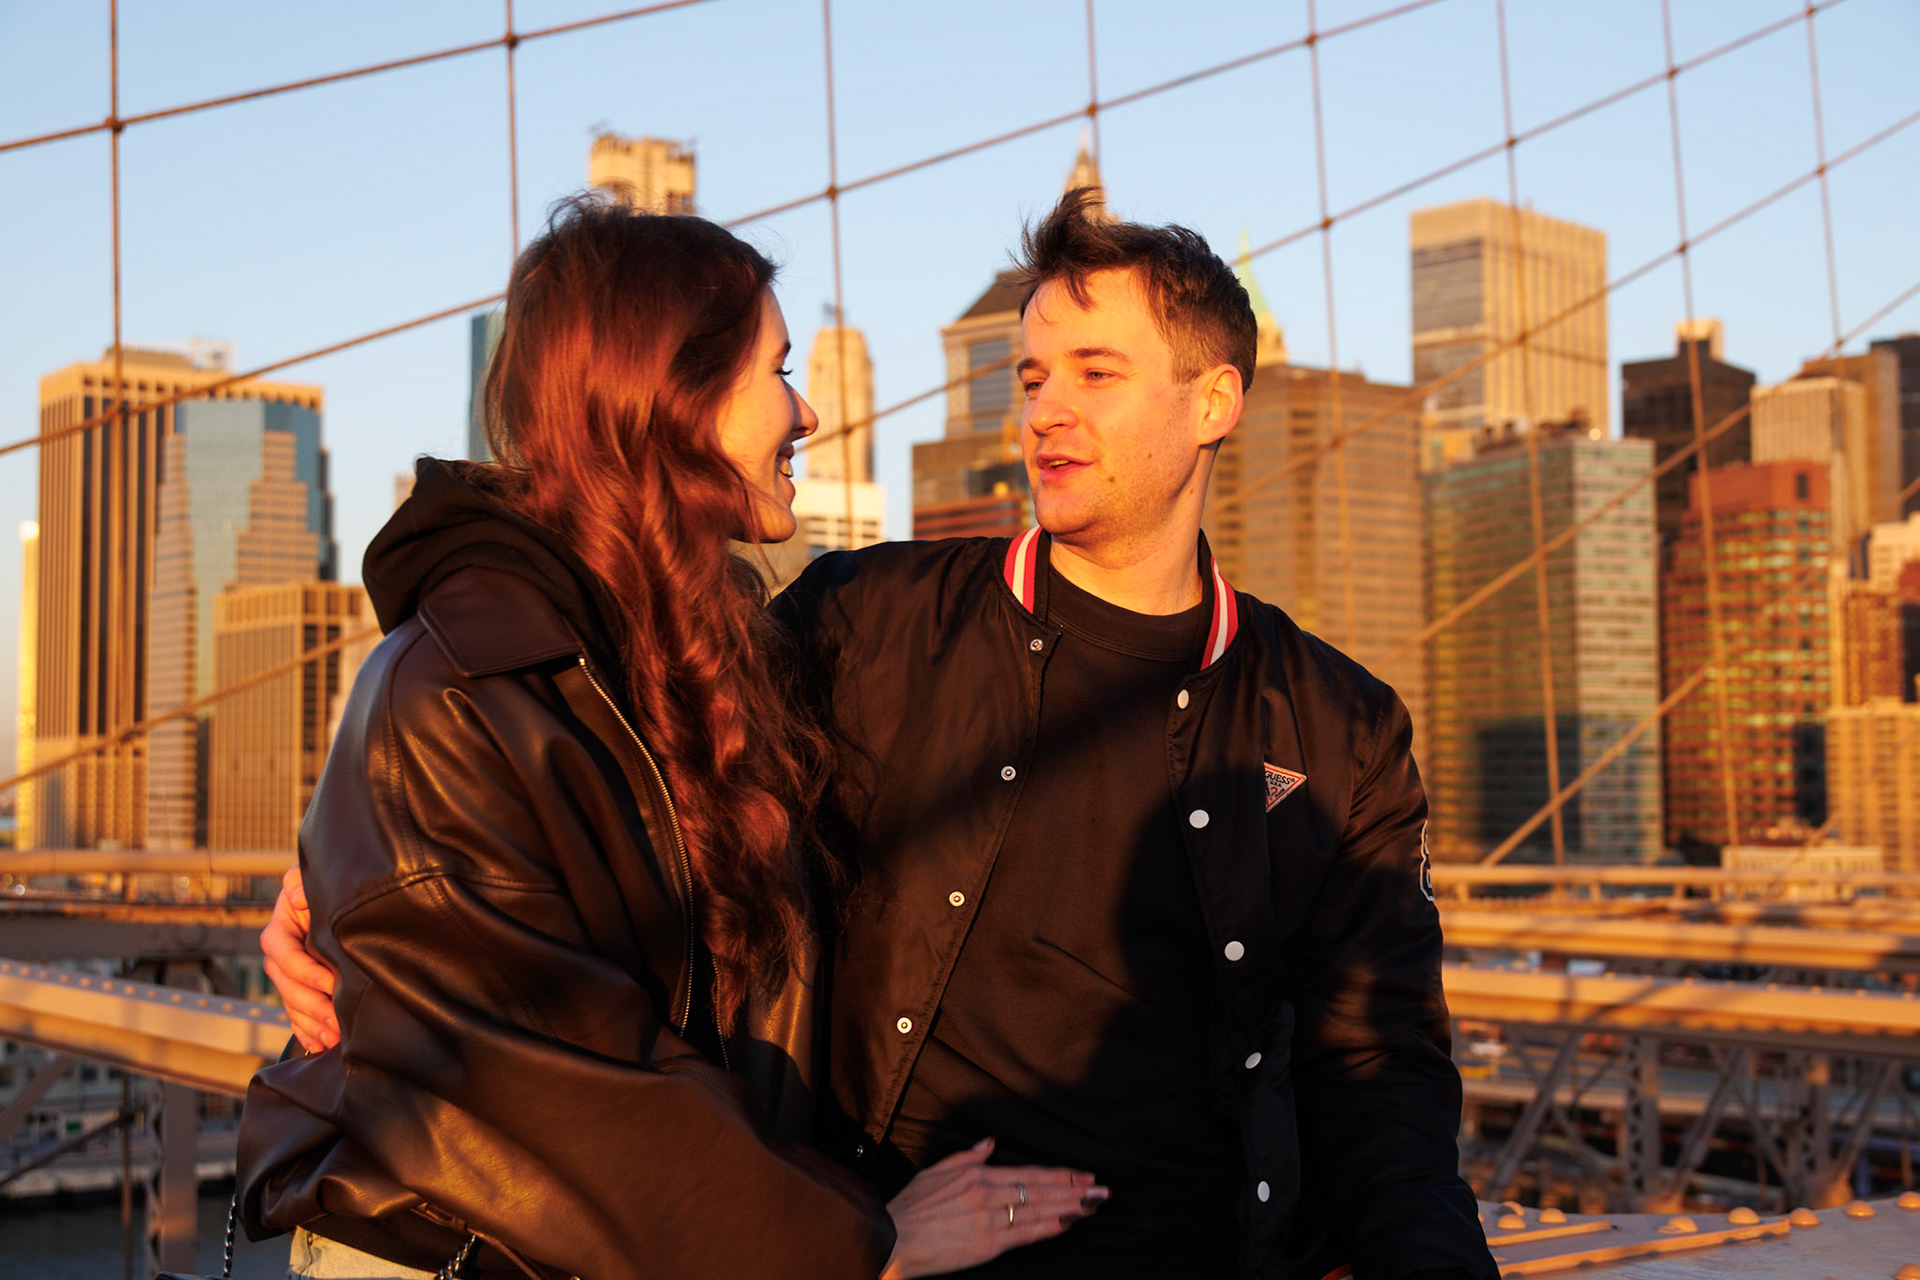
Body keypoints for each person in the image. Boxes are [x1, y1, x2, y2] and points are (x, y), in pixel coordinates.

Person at [265, 189, 1498, 1279]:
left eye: (1096, 373)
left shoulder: (1339, 726)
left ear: (1214, 398)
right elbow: (597, 733)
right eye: (1031, 377)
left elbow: (1380, 1068)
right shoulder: (863, 621)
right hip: (881, 1250)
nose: (1046, 410)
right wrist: (340, 874)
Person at [234, 196, 1103, 1280]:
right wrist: (864, 1245)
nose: (807, 413)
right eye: (778, 371)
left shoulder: (702, 663)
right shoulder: (452, 691)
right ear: (676, 401)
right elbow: (551, 1087)